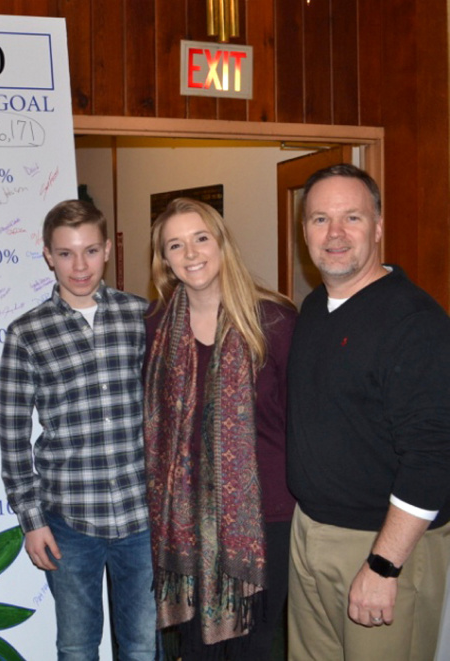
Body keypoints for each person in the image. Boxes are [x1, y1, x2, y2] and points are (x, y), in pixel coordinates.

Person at [286, 164, 450, 661]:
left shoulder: (415, 322)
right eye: (319, 219)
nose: (334, 233)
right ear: (305, 233)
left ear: (378, 227)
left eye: (351, 217)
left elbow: (433, 455)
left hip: (381, 545)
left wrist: (383, 566)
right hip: (310, 533)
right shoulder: (314, 307)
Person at [0, 199, 157, 660]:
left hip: (142, 519)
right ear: (48, 254)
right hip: (69, 522)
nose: (79, 266)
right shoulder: (26, 333)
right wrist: (31, 521)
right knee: (76, 648)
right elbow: (11, 434)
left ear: (107, 249)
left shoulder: (142, 317)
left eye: (89, 250)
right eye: (66, 253)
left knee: (144, 648)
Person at [143, 198, 295, 659]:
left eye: (201, 238)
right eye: (176, 244)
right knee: (195, 650)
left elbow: (302, 423)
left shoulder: (275, 321)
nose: (191, 254)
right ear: (165, 261)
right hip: (183, 526)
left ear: (222, 244)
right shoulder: (153, 328)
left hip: (265, 520)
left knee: (257, 649)